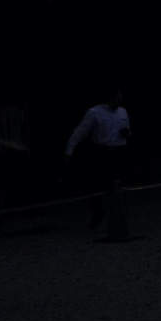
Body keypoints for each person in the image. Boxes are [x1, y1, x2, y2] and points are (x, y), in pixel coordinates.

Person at [64, 89, 132, 230]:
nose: (120, 100)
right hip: (102, 152)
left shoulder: (123, 112)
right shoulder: (94, 113)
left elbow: (127, 130)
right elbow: (79, 132)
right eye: (118, 97)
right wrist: (69, 151)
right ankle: (99, 213)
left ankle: (116, 216)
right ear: (111, 97)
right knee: (95, 186)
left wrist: (127, 133)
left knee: (118, 185)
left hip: (119, 152)